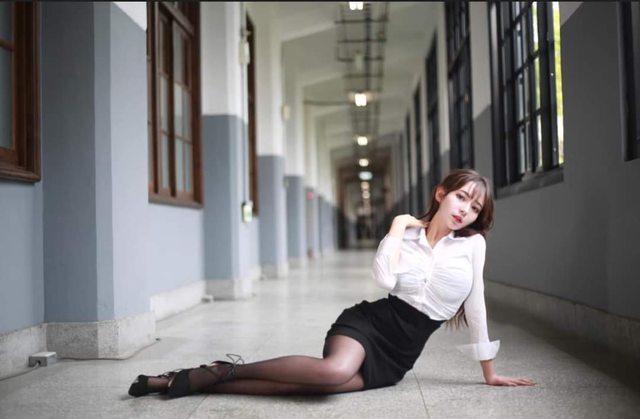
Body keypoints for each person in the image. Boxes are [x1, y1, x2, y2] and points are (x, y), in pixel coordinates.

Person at [128, 168, 535, 398]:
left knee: (318, 386)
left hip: (400, 353)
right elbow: (384, 279)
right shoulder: (404, 236)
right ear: (442, 194)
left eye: (475, 207)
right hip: (368, 324)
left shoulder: (472, 246)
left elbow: (476, 305)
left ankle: (209, 377)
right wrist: (398, 226)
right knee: (330, 372)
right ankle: (212, 374)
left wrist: (489, 372)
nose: (465, 210)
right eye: (461, 197)